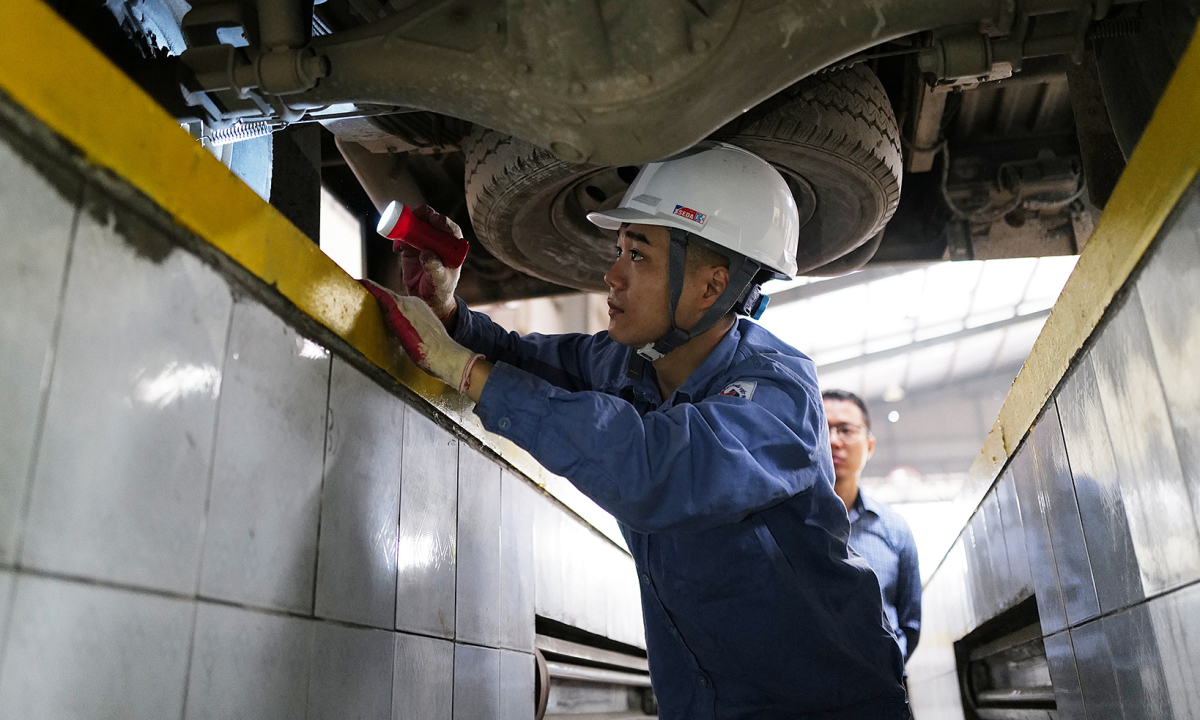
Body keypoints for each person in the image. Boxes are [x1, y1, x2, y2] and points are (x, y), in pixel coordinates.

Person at [360, 143, 909, 719]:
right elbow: (521, 361)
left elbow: (661, 471)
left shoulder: (777, 393)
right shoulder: (628, 364)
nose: (612, 274)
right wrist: (447, 311)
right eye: (619, 249)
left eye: (639, 255)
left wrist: (462, 370)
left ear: (708, 286)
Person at [822, 390, 922, 662]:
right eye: (822, 427)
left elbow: (910, 624)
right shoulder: (784, 523)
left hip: (883, 693)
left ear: (869, 445)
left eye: (845, 430)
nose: (833, 441)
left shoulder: (894, 530)